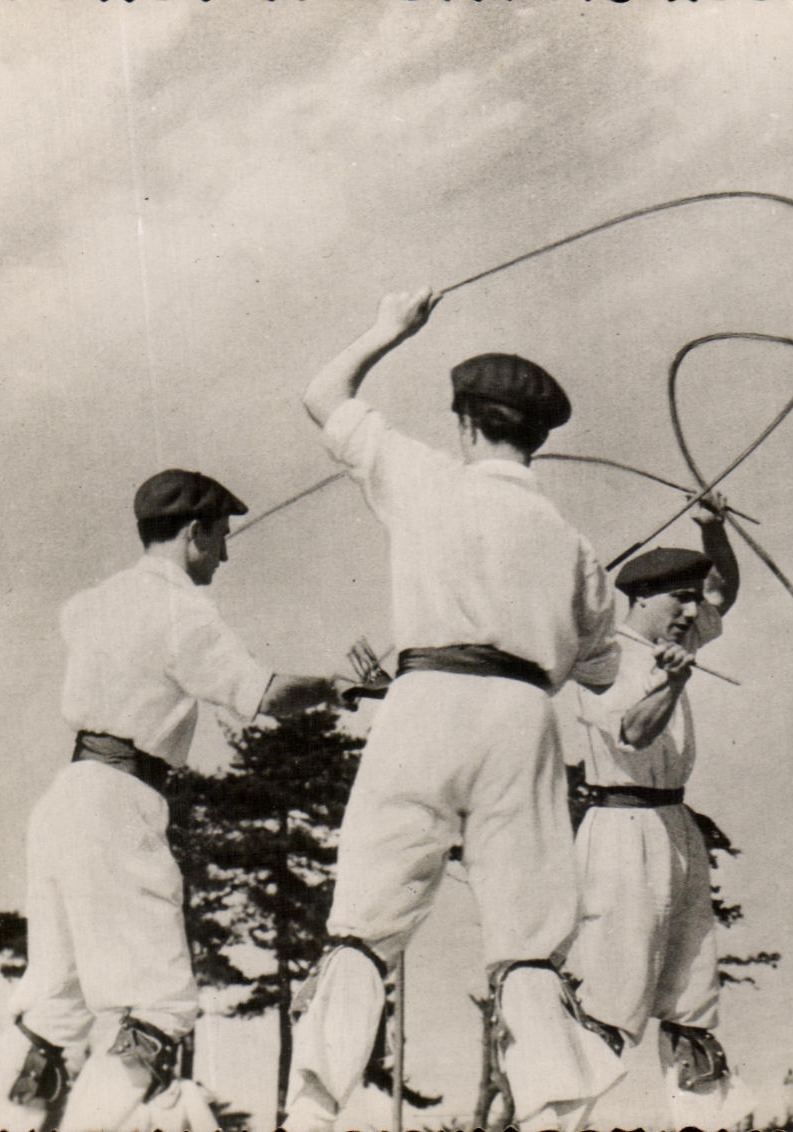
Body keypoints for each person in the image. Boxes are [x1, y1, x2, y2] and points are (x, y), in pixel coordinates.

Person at [286, 288, 626, 1132]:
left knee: (363, 926)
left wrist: (388, 329)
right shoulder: (573, 544)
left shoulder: (425, 480)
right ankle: (551, 1117)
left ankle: (313, 1115)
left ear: (467, 424)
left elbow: (322, 395)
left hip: (425, 706)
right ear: (537, 437)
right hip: (522, 720)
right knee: (528, 941)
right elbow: (603, 668)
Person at [0, 470, 353, 1132]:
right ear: (194, 533)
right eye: (220, 538)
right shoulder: (184, 612)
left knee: (54, 1011)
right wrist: (334, 690)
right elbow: (262, 694)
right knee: (160, 1011)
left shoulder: (91, 603)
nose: (225, 556)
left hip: (66, 800)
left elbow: (91, 624)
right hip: (120, 805)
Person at [564, 498, 743, 1129]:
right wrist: (674, 683)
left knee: (694, 999)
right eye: (680, 601)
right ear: (641, 599)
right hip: (621, 827)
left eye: (693, 601)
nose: (693, 613)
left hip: (675, 826)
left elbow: (725, 590)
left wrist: (713, 530)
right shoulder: (603, 656)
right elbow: (635, 734)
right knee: (611, 997)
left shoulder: (678, 635)